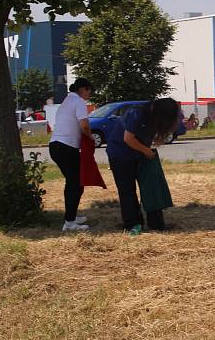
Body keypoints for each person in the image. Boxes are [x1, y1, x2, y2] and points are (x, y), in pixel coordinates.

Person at [105, 98, 180, 234]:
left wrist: (155, 141)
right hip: (120, 154)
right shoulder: (137, 113)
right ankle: (132, 224)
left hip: (139, 154)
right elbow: (128, 138)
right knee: (127, 190)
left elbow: (153, 135)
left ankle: (156, 224)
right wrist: (146, 150)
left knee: (151, 188)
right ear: (163, 112)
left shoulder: (154, 117)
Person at [48, 78, 94, 232]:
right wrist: (90, 137)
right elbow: (84, 125)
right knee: (76, 184)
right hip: (66, 147)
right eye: (89, 91)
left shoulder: (66, 101)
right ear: (82, 89)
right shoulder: (79, 102)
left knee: (73, 182)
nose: (89, 95)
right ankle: (69, 223)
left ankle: (71, 216)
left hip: (56, 145)